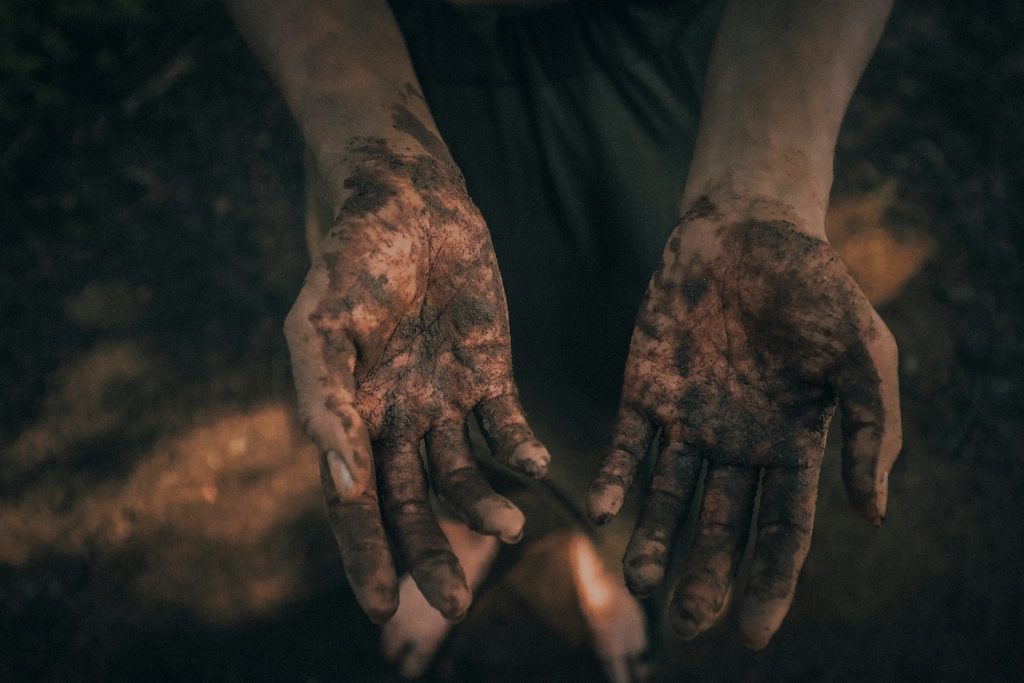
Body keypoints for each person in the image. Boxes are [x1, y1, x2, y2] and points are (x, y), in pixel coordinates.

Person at [227, 0, 902, 653]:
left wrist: (762, 189)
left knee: (646, 384)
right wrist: (377, 157)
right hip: (382, 76)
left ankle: (603, 543)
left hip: (691, 89)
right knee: (430, 380)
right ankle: (472, 519)